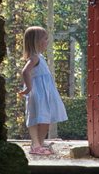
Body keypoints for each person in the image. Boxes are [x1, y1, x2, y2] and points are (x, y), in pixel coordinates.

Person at [19, 26, 68, 156]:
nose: (47, 42)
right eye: (45, 39)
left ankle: (39, 145)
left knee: (46, 118)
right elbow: (25, 72)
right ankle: (35, 145)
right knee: (35, 117)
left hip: (45, 93)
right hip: (38, 93)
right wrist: (28, 88)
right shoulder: (34, 58)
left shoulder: (40, 58)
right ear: (36, 41)